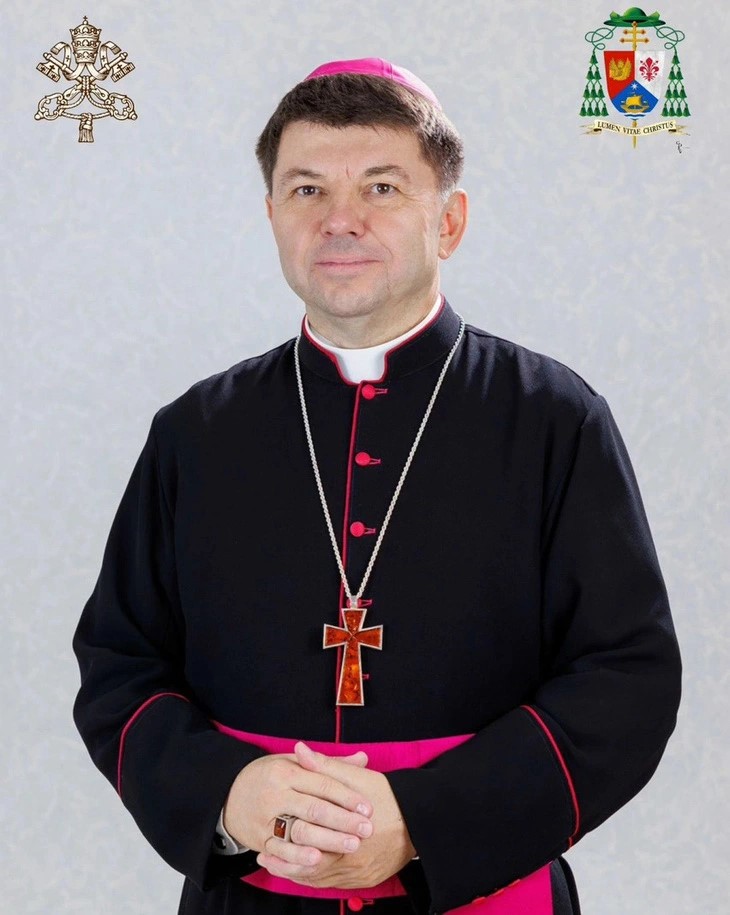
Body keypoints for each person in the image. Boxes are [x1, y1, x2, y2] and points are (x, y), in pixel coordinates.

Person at [72, 58, 682, 915]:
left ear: (451, 220)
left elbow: (628, 678)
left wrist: (425, 821)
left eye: (383, 187)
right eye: (307, 190)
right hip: (255, 891)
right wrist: (232, 794)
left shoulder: (554, 419)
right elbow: (118, 666)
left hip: (482, 885)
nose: (340, 219)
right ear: (272, 216)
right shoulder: (195, 433)